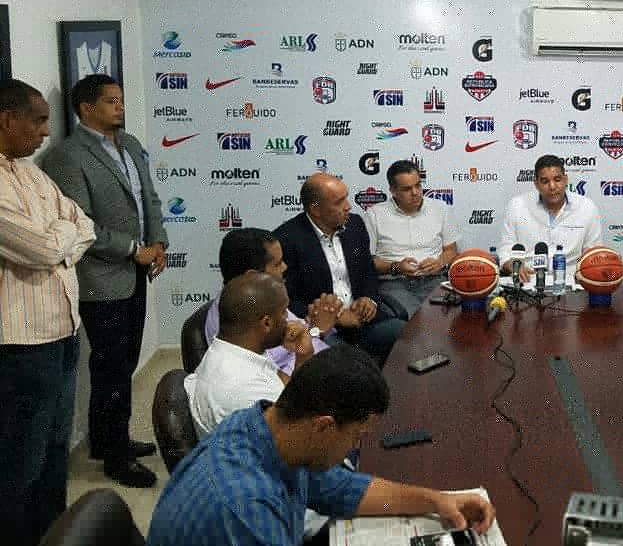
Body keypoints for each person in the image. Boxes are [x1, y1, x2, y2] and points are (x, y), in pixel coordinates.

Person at [146, 346, 496, 546]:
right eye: (356, 437)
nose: (355, 448)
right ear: (325, 426)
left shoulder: (270, 428)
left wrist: (437, 501)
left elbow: (343, 490)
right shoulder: (247, 511)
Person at [40, 74, 167, 488]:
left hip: (136, 271)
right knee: (111, 365)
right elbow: (81, 223)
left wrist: (158, 242)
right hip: (101, 277)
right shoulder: (67, 157)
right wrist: (132, 248)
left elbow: (149, 198)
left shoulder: (129, 144)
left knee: (124, 361)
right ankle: (115, 457)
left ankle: (108, 438)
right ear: (86, 108)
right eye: (111, 101)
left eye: (121, 100)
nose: (120, 107)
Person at [0, 79, 96, 546]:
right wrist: (60, 239)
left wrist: (58, 239)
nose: (45, 132)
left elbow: (85, 223)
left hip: (63, 332)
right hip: (21, 345)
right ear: (7, 119)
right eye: (38, 121)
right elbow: (40, 249)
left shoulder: (32, 174)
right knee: (21, 458)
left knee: (56, 448)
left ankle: (53, 535)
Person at [275, 173, 405, 365]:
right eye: (339, 202)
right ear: (315, 209)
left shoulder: (355, 225)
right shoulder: (287, 239)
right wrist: (337, 317)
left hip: (364, 321)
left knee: (407, 335)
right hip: (323, 331)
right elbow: (288, 301)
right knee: (345, 365)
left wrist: (369, 299)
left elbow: (368, 272)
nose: (348, 206)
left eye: (346, 198)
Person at [186, 271, 315, 438]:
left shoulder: (231, 352)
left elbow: (288, 394)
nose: (290, 320)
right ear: (267, 323)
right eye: (284, 312)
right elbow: (301, 436)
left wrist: (303, 357)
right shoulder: (250, 391)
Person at [204, 228, 340, 377]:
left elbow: (300, 335)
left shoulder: (263, 299)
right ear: (253, 276)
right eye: (277, 264)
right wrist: (317, 331)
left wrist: (316, 327)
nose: (285, 267)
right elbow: (280, 382)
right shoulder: (237, 322)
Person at [364, 159, 459, 316]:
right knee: (414, 318)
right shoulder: (375, 214)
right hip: (394, 283)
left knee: (446, 316)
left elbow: (451, 250)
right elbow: (368, 262)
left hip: (434, 279)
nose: (415, 192)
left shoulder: (440, 208)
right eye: (407, 189)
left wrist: (439, 262)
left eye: (418, 185)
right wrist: (396, 267)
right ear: (393, 191)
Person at [496, 154, 601, 282]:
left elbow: (593, 254)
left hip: (572, 282)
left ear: (565, 180)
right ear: (536, 184)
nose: (552, 186)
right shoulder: (517, 206)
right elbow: (505, 252)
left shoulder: (586, 207)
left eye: (557, 179)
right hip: (528, 281)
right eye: (545, 181)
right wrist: (513, 265)